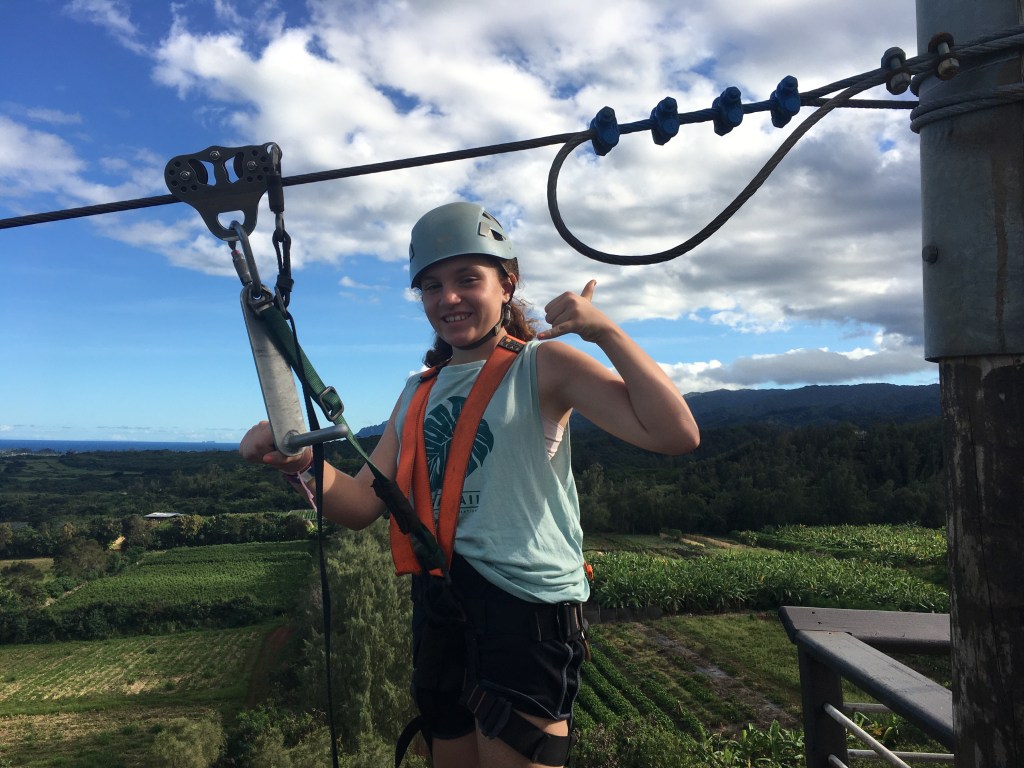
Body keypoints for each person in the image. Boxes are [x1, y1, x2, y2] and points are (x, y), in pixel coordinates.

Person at [240, 201, 699, 768]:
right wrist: (298, 462)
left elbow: (676, 434)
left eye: (467, 279)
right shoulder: (418, 390)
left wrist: (603, 332)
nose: (448, 297)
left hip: (523, 613)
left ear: (507, 285)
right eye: (431, 286)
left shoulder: (542, 366)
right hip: (440, 608)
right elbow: (360, 504)